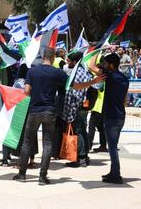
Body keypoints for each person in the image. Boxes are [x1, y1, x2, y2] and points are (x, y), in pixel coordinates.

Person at [13, 48, 103, 185]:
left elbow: (26, 91)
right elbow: (75, 86)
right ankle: (42, 177)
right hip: (50, 111)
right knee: (47, 143)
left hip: (34, 110)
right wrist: (93, 82)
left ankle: (22, 174)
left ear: (43, 57)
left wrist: (36, 95)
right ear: (54, 58)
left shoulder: (32, 71)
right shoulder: (58, 73)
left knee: (27, 142)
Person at [89, 53, 129, 184]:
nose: (104, 65)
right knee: (113, 146)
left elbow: (91, 66)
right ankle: (113, 172)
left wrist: (95, 51)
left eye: (106, 63)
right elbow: (124, 99)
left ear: (111, 65)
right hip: (120, 115)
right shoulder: (123, 78)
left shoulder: (110, 77)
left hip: (111, 117)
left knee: (112, 148)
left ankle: (116, 175)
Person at [62, 52, 92, 167]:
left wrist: (69, 110)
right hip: (83, 107)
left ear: (75, 62)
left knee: (78, 132)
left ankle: (81, 158)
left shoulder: (76, 74)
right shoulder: (85, 72)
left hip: (76, 107)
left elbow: (75, 94)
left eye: (69, 61)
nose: (67, 63)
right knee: (82, 130)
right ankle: (84, 156)